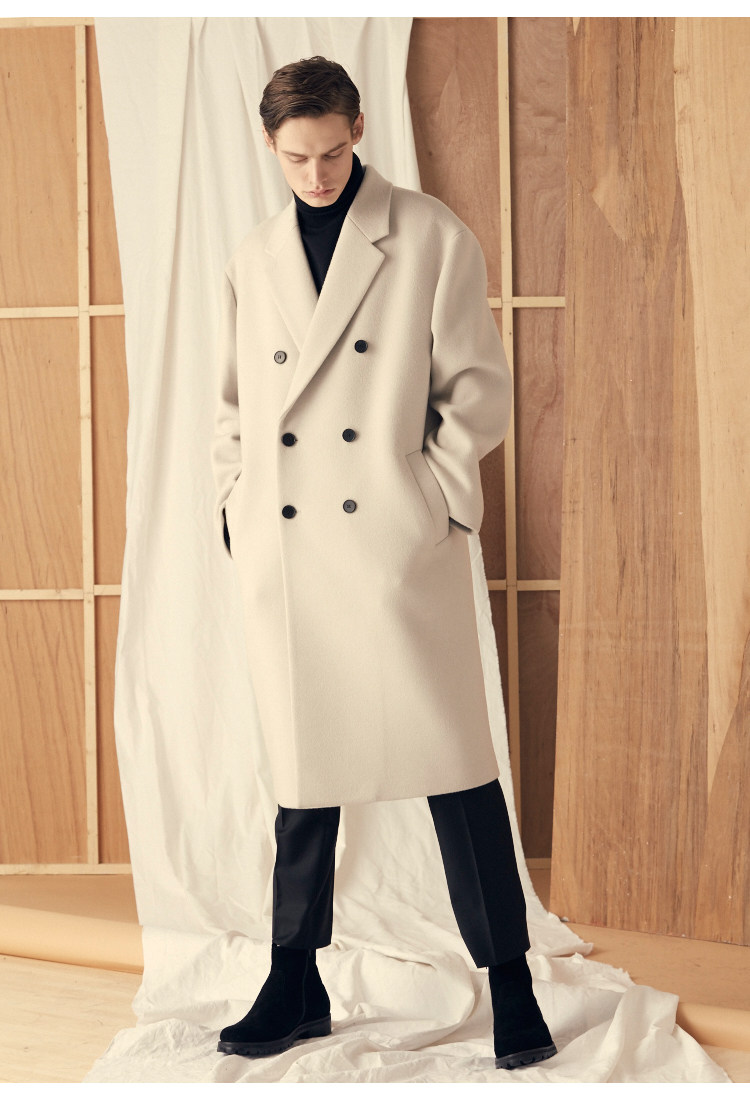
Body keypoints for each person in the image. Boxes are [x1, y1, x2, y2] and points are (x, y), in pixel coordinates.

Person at [210, 56, 556, 1071]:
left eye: (331, 152)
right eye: (296, 159)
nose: (317, 176)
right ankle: (293, 979)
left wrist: (428, 498)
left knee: (457, 771)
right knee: (302, 780)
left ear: (359, 128)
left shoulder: (430, 236)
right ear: (270, 147)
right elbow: (234, 404)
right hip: (291, 548)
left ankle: (513, 983)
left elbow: (478, 390)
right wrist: (236, 507)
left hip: (393, 545)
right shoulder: (254, 257)